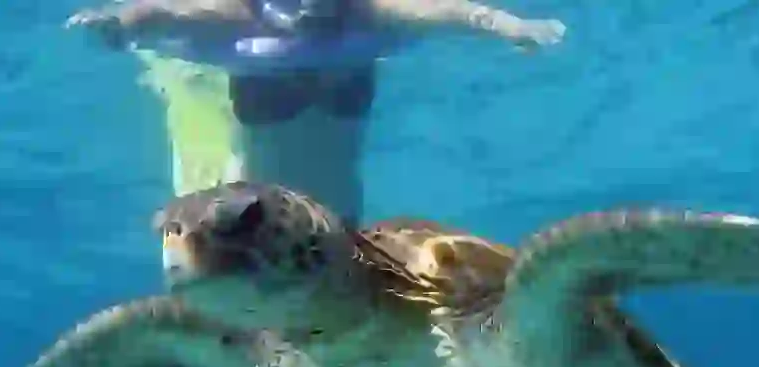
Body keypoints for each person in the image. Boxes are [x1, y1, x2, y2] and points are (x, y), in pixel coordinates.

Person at [66, 0, 567, 221]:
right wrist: (118, 25)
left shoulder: (374, 13)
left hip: (339, 222)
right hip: (239, 211)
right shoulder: (230, 18)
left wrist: (512, 27)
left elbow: (455, 12)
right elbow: (162, 13)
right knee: (190, 105)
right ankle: (178, 87)